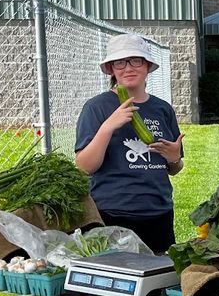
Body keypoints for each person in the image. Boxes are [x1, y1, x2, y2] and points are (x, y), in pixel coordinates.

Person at [75, 34, 184, 253]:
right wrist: (108, 127)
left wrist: (174, 158)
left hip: (158, 212)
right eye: (120, 62)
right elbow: (84, 167)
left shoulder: (162, 109)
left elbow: (175, 168)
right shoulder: (97, 107)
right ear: (111, 69)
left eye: (136, 60)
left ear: (147, 66)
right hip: (113, 213)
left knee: (156, 280)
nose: (128, 68)